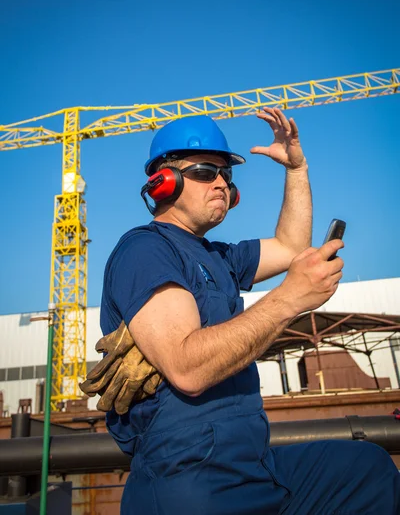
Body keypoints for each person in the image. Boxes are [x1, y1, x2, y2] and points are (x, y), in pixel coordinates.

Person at [96, 109, 400, 514]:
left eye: (226, 174)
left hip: (253, 463)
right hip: (191, 476)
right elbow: (187, 368)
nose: (222, 182)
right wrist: (290, 298)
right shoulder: (146, 250)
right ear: (164, 182)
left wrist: (297, 168)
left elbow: (291, 248)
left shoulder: (219, 257)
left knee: (367, 470)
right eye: (206, 171)